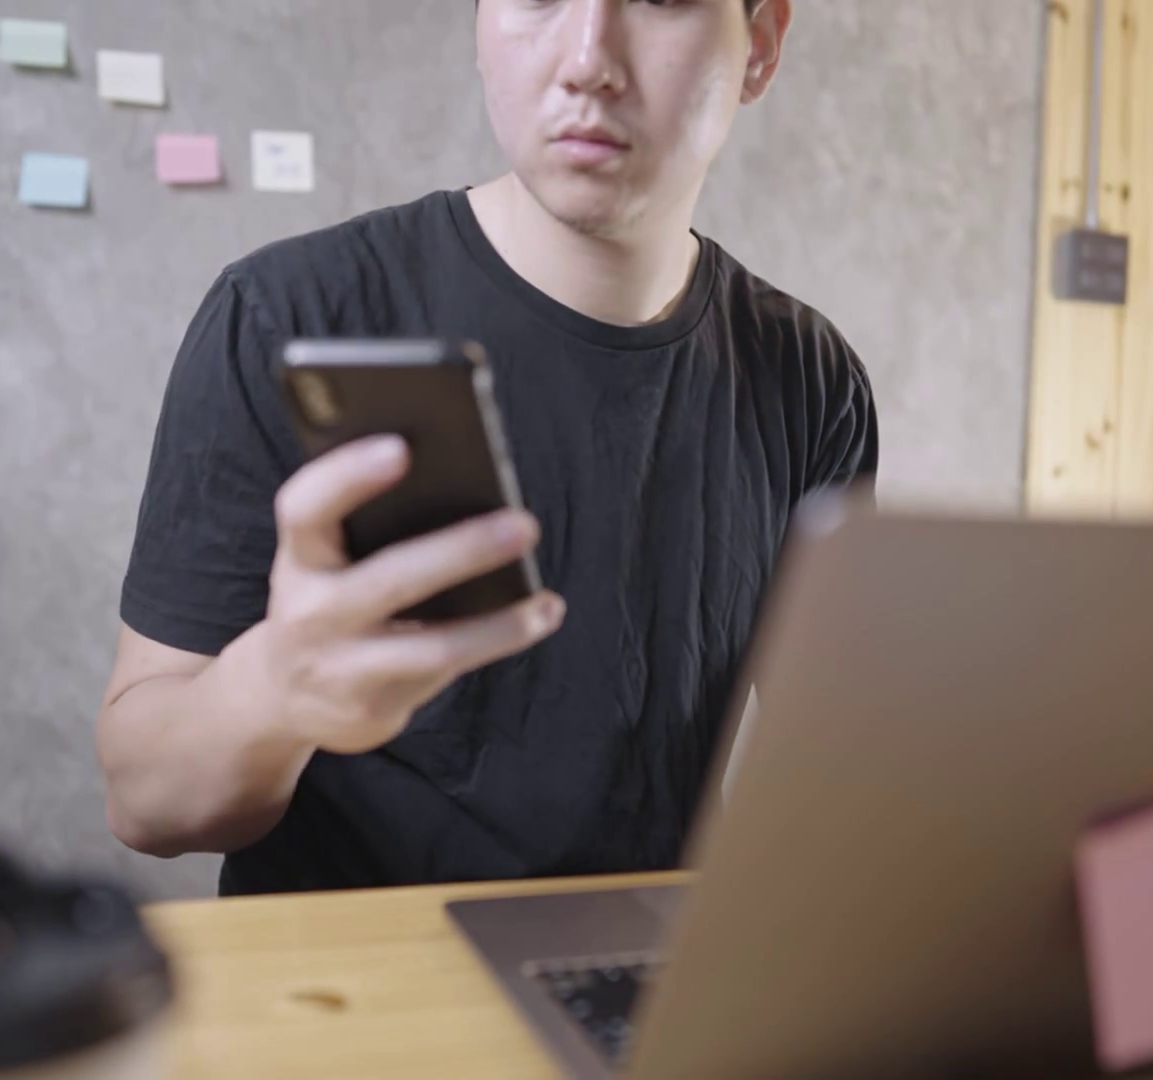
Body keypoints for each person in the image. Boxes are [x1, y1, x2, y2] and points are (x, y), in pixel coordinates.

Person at [98, 0, 877, 896]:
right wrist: (278, 690)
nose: (587, 61)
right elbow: (149, 807)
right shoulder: (286, 314)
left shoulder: (811, 379)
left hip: (652, 970)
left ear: (761, 45)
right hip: (357, 973)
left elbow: (835, 775)